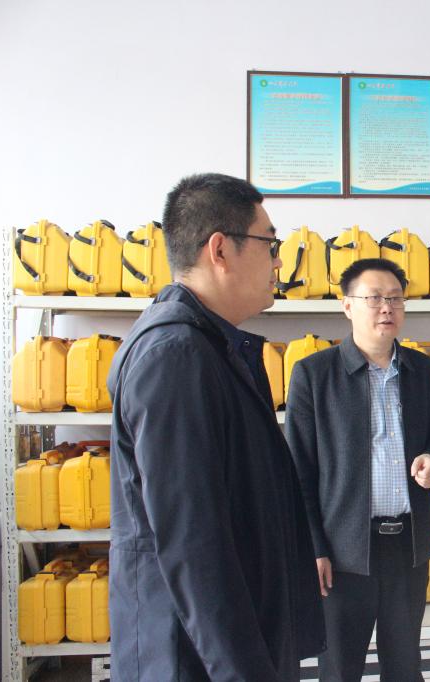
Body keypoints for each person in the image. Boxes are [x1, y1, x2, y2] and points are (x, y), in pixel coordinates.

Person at [107, 173, 324, 680]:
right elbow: (193, 542)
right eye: (270, 244)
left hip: (227, 642)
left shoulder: (208, 346)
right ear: (220, 250)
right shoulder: (176, 357)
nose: (278, 263)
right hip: (196, 657)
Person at [284, 258, 430, 681]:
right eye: (374, 298)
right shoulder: (313, 375)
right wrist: (314, 548)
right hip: (343, 554)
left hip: (407, 547)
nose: (387, 308)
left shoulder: (423, 370)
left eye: (395, 298)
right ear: (347, 306)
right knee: (340, 669)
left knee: (405, 666)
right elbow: (299, 473)